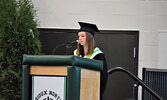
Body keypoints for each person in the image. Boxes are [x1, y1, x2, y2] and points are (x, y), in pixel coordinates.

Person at [74, 22, 108, 100]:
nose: (80, 38)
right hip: (77, 93)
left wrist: (97, 93)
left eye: (82, 36)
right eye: (79, 36)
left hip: (92, 94)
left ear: (89, 38)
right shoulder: (76, 54)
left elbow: (103, 78)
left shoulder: (98, 56)